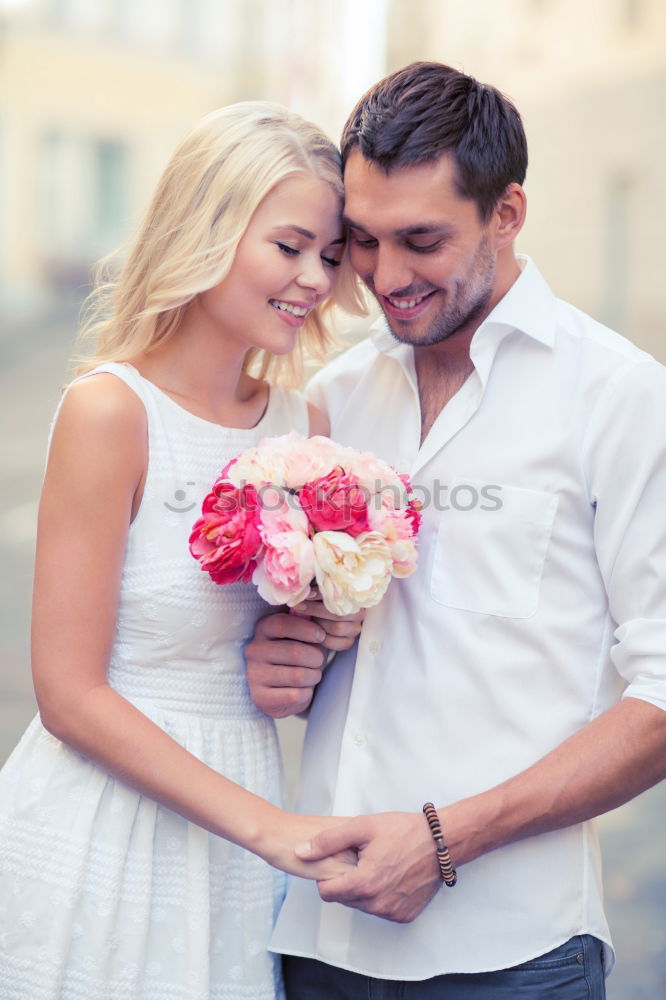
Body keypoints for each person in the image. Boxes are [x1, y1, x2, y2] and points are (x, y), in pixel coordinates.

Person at [246, 63, 666, 998]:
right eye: (362, 240)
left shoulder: (619, 397)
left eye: (422, 240)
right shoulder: (332, 400)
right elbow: (316, 638)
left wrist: (442, 841)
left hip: (512, 955)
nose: (385, 277)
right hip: (316, 939)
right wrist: (285, 654)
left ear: (507, 213)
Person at [0, 102, 365, 1000]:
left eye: (329, 254)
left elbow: (289, 643)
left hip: (238, 842)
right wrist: (268, 828)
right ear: (207, 228)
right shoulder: (109, 412)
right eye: (289, 247)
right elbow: (68, 694)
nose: (314, 278)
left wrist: (318, 642)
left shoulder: (305, 424)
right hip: (106, 825)